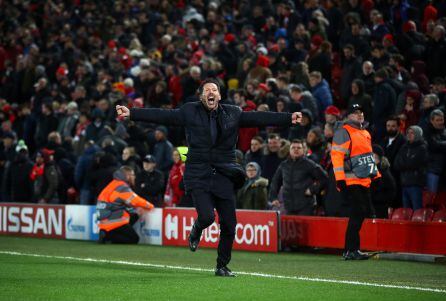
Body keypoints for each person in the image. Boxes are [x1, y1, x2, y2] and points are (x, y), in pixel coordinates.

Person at [116, 78, 302, 277]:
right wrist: (132, 113)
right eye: (207, 90)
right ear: (202, 96)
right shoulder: (189, 111)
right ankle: (197, 229)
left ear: (219, 96)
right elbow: (163, 115)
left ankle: (222, 266)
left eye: (214, 90)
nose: (211, 92)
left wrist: (288, 117)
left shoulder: (233, 113)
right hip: (198, 173)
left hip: (224, 173)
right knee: (206, 216)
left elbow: (259, 118)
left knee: (230, 224)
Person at [331, 104, 380, 260]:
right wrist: (340, 180)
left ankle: (351, 250)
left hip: (364, 179)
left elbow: (368, 156)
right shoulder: (343, 132)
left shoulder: (365, 133)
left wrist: (375, 174)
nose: (359, 115)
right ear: (348, 116)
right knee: (358, 213)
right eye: (355, 113)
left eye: (361, 112)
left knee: (360, 214)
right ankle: (351, 250)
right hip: (351, 180)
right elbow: (336, 157)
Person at [97, 166, 154, 244]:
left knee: (134, 214)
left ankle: (105, 232)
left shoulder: (113, 184)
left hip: (105, 221)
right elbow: (136, 200)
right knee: (134, 239)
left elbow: (118, 202)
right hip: (113, 222)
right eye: (133, 175)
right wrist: (150, 206)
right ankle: (108, 237)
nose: (135, 177)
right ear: (127, 176)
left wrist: (135, 209)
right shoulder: (122, 187)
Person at [269, 139, 328, 215]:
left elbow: (324, 178)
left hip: (306, 206)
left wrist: (312, 189)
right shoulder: (284, 165)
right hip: (288, 206)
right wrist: (273, 198)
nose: (296, 149)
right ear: (289, 150)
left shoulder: (309, 164)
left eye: (299, 148)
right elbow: (275, 181)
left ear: (303, 150)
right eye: (293, 148)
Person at [394, 126, 428, 210]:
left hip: (415, 183)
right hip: (404, 183)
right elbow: (396, 163)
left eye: (412, 133)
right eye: (408, 133)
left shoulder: (422, 148)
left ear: (417, 134)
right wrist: (406, 163)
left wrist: (404, 164)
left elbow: (413, 164)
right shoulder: (404, 147)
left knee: (417, 210)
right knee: (406, 211)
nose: (409, 135)